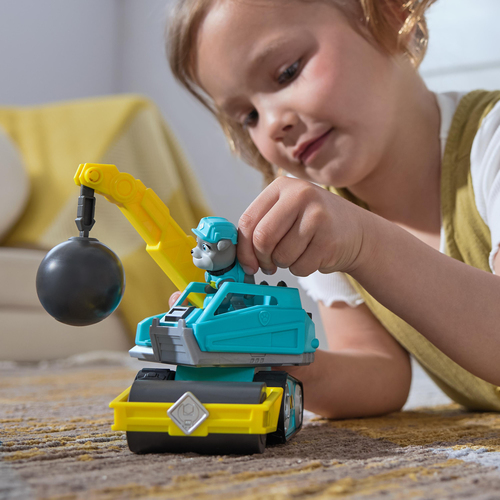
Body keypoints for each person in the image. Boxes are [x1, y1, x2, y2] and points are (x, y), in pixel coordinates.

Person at [166, 0, 500, 418]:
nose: (271, 124)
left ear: (389, 12)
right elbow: (381, 373)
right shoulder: (328, 215)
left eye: (287, 72)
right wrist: (274, 358)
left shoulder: (492, 142)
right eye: (248, 116)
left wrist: (367, 245)